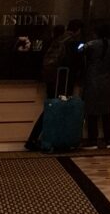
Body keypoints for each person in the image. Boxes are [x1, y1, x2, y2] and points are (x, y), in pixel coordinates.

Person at [25, 18, 84, 150]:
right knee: (56, 109)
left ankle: (35, 139)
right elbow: (74, 62)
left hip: (51, 78)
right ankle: (47, 139)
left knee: (51, 107)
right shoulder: (72, 42)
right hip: (62, 79)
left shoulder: (59, 38)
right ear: (78, 30)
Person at [81, 21, 110, 149]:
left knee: (92, 112)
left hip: (92, 80)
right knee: (106, 112)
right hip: (107, 81)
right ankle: (109, 140)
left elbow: (79, 50)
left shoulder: (91, 45)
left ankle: (93, 140)